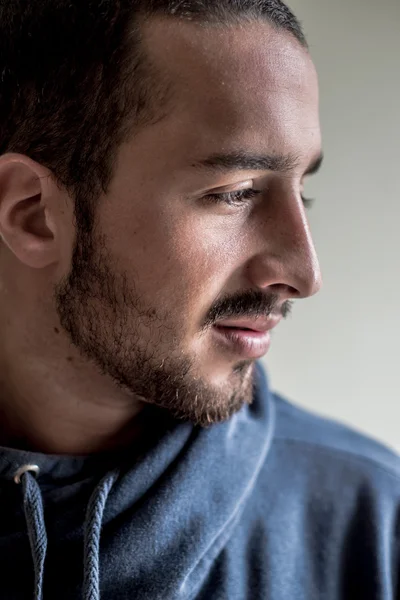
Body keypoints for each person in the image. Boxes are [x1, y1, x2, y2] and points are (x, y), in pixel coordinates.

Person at [0, 0, 398, 598]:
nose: (304, 273)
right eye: (236, 193)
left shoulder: (374, 526)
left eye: (303, 192)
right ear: (33, 214)